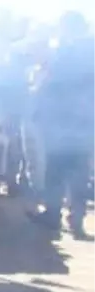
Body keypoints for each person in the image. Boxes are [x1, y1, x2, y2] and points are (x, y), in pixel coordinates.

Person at [27, 16, 95, 237]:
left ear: (68, 29)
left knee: (56, 169)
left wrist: (37, 102)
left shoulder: (65, 51)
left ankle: (53, 215)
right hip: (85, 119)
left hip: (61, 119)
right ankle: (76, 220)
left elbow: (50, 82)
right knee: (79, 171)